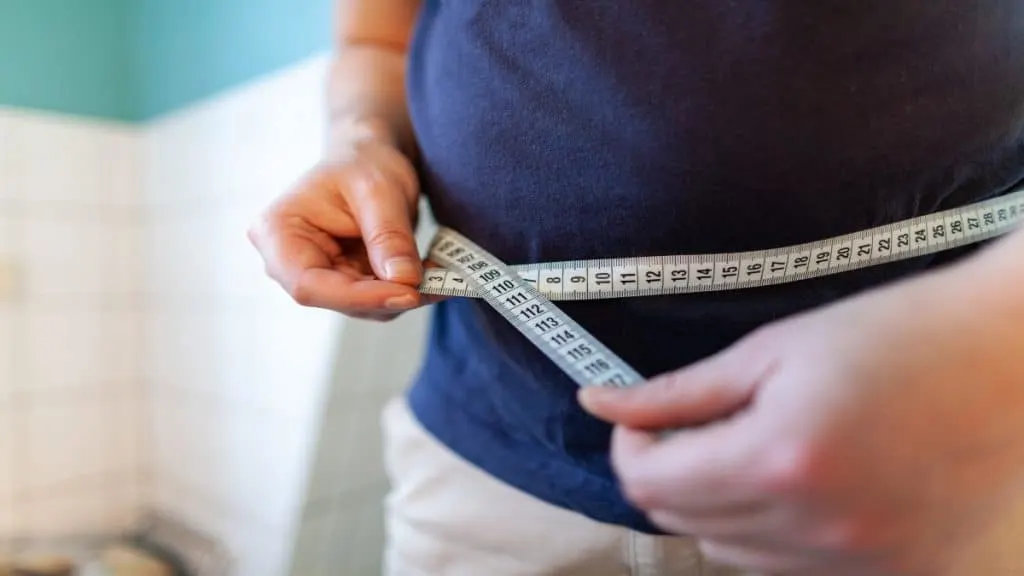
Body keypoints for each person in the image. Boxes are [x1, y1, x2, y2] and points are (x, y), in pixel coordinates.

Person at [248, 1, 1024, 574]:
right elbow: (378, 34)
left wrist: (999, 353)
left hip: (922, 455)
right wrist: (359, 138)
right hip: (489, 457)